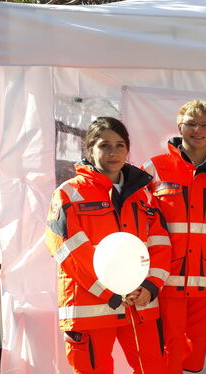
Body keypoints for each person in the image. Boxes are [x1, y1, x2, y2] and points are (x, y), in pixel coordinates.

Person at [45, 117, 170, 373]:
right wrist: (112, 289)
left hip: (140, 303)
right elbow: (68, 250)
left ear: (128, 149)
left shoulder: (143, 195)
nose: (113, 152)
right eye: (104, 145)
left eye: (120, 145)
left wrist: (150, 286)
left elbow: (160, 243)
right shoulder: (68, 194)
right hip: (91, 307)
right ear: (90, 150)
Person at [142, 99, 206, 374]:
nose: (198, 130)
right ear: (179, 127)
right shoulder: (153, 169)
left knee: (197, 351)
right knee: (166, 350)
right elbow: (136, 223)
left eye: (204, 125)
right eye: (192, 124)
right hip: (165, 281)